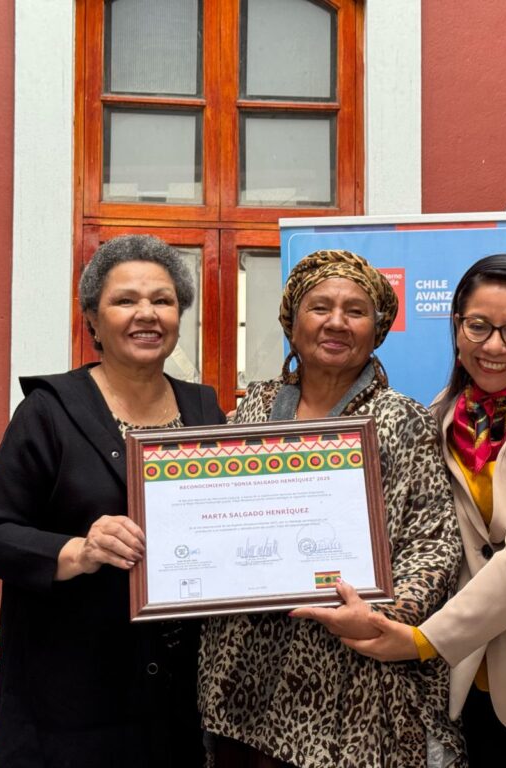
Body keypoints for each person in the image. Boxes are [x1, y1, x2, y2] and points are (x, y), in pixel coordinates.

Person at [294, 254, 506, 767]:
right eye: (478, 326)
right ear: (457, 328)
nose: (493, 346)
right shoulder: (440, 415)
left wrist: (421, 640)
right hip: (473, 683)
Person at [0, 235, 226, 767]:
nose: (146, 314)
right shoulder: (49, 411)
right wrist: (79, 551)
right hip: (71, 699)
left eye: (163, 300)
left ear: (179, 315)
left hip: (178, 700)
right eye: (125, 300)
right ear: (92, 318)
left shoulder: (204, 411)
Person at [198, 249, 464, 767]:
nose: (337, 322)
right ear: (292, 322)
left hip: (351, 671)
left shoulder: (404, 420)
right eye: (320, 307)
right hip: (242, 670)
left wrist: (382, 616)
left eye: (355, 311)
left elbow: (433, 542)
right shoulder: (253, 408)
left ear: (377, 330)